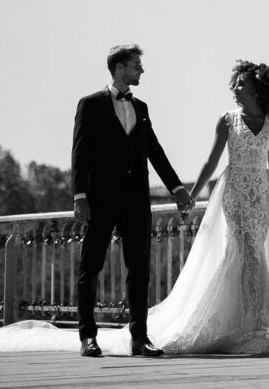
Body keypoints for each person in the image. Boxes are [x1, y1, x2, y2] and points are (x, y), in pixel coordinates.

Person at [0, 58, 269, 357]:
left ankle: (252, 321)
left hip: (260, 197)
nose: (234, 89)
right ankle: (250, 322)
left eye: (241, 84)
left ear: (257, 88)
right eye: (235, 83)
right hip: (234, 194)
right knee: (244, 253)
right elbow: (210, 162)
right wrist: (188, 194)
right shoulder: (227, 120)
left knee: (251, 255)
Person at [72, 43, 195, 357]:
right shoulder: (90, 104)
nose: (141, 70)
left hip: (136, 201)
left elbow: (154, 150)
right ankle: (88, 336)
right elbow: (80, 153)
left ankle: (139, 338)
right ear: (119, 68)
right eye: (136, 65)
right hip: (100, 200)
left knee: (139, 270)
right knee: (91, 267)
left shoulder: (141, 107)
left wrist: (177, 188)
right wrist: (80, 196)